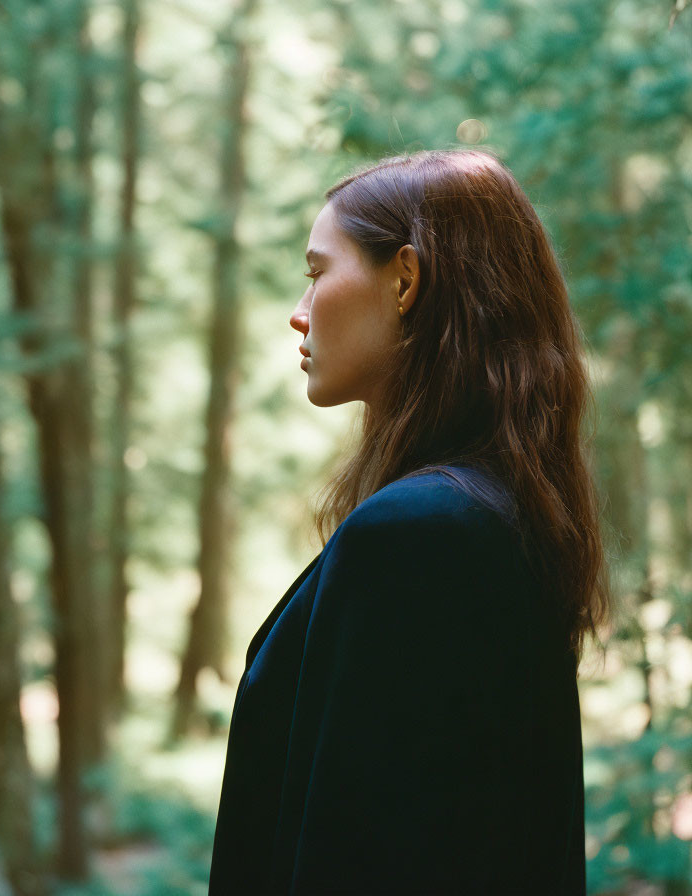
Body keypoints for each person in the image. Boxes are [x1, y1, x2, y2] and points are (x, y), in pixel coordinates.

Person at [208, 148, 612, 895]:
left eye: (317, 272)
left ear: (404, 278)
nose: (299, 313)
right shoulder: (489, 514)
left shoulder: (423, 534)